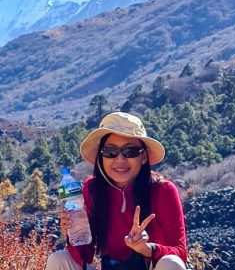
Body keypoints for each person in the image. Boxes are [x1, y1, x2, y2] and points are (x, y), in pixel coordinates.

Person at [46, 112, 187, 270]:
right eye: (110, 152)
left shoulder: (163, 190)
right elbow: (85, 255)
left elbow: (180, 253)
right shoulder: (93, 189)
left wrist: (146, 249)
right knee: (59, 259)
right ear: (101, 156)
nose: (120, 160)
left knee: (171, 263)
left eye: (130, 152)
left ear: (144, 157)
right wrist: (73, 233)